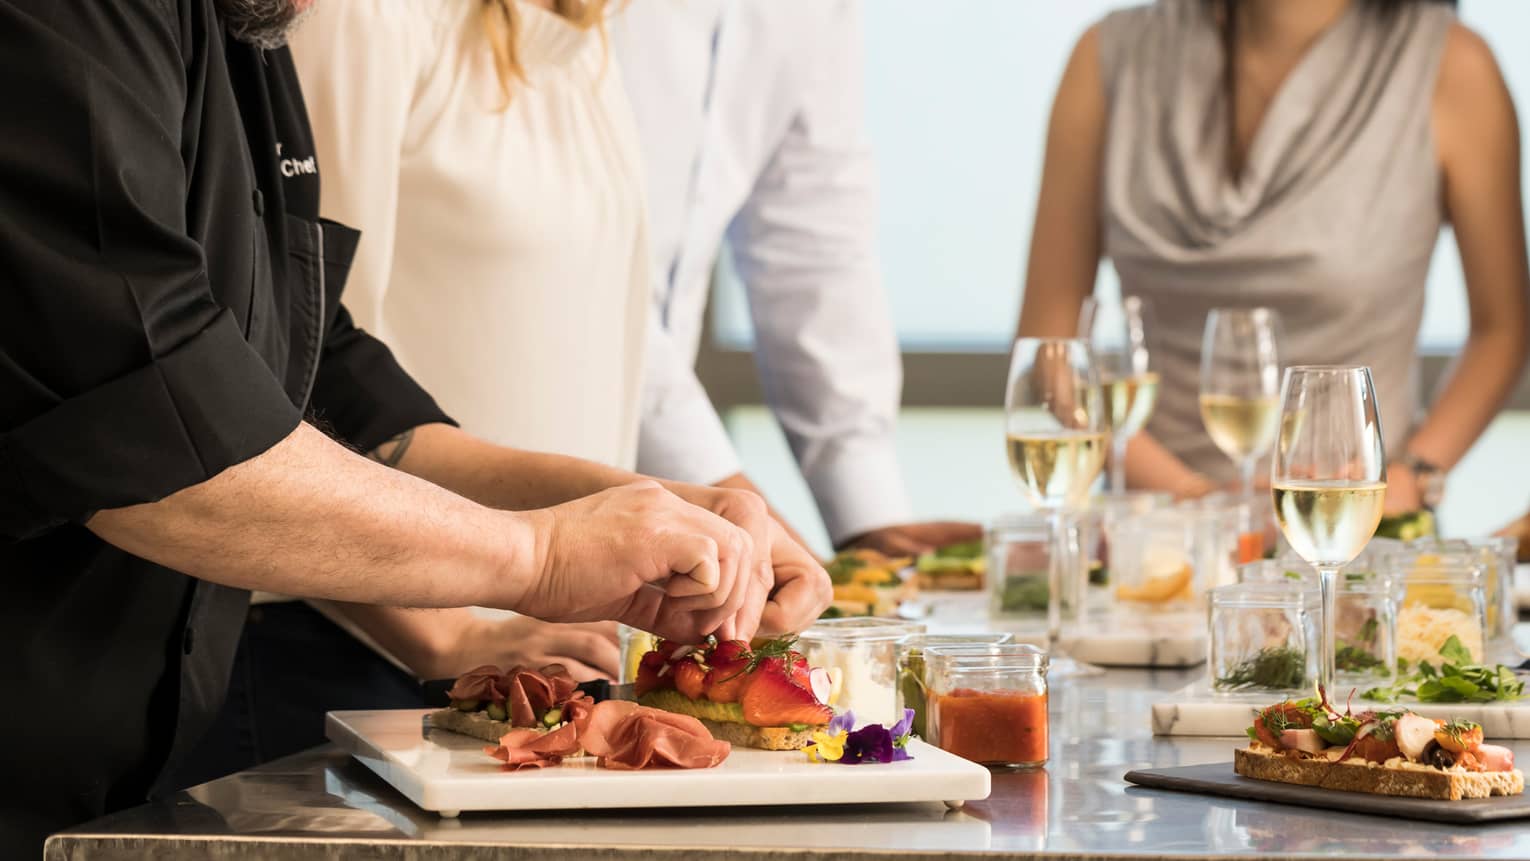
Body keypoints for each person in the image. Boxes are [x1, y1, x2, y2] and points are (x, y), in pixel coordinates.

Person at [0, 0, 827, 852]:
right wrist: (535, 557)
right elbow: (151, 433)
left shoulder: (249, 31)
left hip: (116, 777)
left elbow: (319, 373)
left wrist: (656, 508)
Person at [165, 0, 668, 783]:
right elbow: (288, 363)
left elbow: (608, 329)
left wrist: (677, 506)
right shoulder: (359, 18)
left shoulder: (586, 41)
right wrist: (445, 636)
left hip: (530, 643)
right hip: (354, 642)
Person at [1016, 0, 1530, 514]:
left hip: (1349, 524)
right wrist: (1197, 504)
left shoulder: (1452, 65)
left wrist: (1414, 474)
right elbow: (1051, 349)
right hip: (1150, 538)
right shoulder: (1108, 57)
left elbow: (1503, 330)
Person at [610, 1, 980, 557]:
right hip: (467, 450)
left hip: (640, 472)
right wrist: (719, 492)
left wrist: (867, 512)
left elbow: (812, 242)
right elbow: (582, 270)